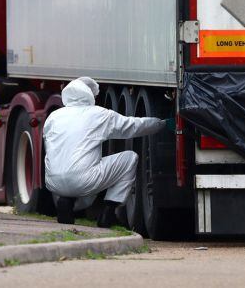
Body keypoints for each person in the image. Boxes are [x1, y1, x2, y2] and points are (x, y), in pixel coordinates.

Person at [43, 77, 166, 228]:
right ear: (89, 95)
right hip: (83, 180)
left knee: (76, 165)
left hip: (53, 182)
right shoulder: (99, 114)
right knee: (129, 158)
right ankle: (109, 212)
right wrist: (161, 123)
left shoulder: (54, 117)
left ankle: (66, 202)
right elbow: (132, 127)